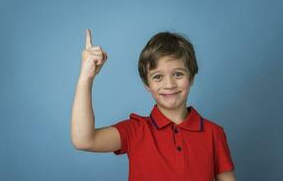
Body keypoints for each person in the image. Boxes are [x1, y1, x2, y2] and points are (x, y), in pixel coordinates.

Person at [71, 29, 236, 181]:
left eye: (178, 74)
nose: (169, 84)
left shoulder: (214, 133)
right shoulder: (135, 131)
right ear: (147, 85)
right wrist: (86, 77)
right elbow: (84, 140)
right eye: (158, 77)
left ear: (191, 78)